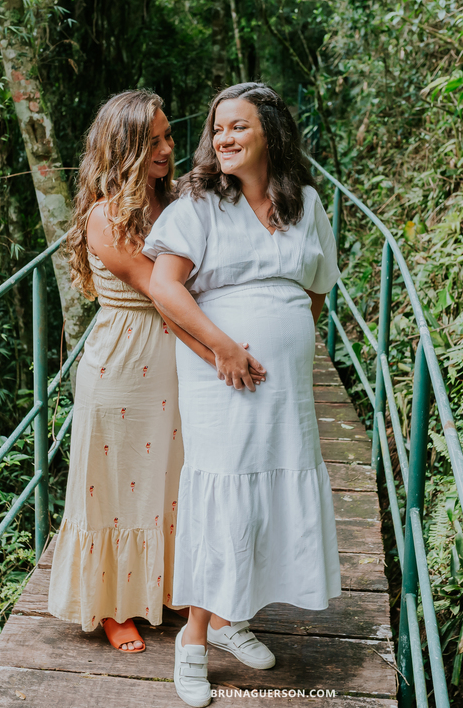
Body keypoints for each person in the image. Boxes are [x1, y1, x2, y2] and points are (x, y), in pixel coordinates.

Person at [144, 83, 341, 706]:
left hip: (285, 383)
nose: (224, 138)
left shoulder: (306, 203)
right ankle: (194, 641)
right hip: (219, 374)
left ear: (271, 133)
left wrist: (289, 341)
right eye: (218, 128)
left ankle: (236, 620)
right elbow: (166, 289)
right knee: (222, 493)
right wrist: (224, 349)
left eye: (239, 127)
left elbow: (316, 292)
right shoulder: (198, 203)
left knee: (265, 494)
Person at [46, 90, 264, 654]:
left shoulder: (174, 202)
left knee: (172, 475)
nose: (168, 149)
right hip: (124, 361)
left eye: (168, 137)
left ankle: (169, 584)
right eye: (154, 141)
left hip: (173, 356)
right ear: (123, 148)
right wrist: (222, 352)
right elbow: (161, 292)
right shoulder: (104, 217)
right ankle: (115, 606)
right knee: (116, 484)